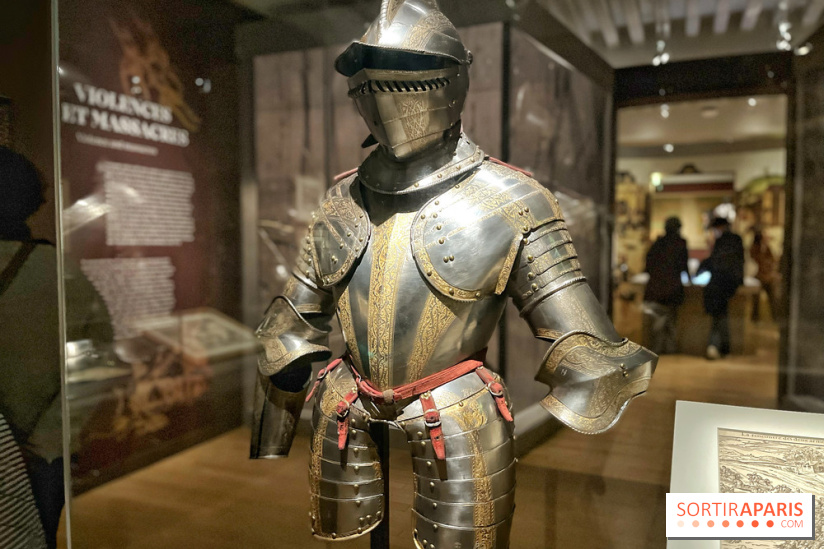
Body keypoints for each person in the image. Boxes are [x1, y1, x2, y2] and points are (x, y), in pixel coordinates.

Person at [249, 2, 657, 547]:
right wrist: (274, 434)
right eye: (370, 86)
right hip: (348, 404)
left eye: (403, 81)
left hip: (458, 414)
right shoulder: (340, 201)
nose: (384, 99)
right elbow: (287, 331)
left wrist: (574, 428)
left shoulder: (512, 200)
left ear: (450, 81)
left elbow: (590, 356)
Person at [0, 146, 111, 548]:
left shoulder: (59, 273)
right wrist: (48, 441)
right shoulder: (59, 272)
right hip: (39, 455)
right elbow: (96, 358)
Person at [699, 217, 744, 359]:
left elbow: (714, 261)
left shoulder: (722, 241)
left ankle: (715, 346)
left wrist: (701, 269)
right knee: (721, 315)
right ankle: (722, 348)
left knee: (718, 316)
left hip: (719, 283)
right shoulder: (736, 240)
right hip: (729, 283)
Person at [643, 216, 689, 354]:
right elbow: (683, 265)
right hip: (673, 288)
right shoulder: (680, 243)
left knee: (658, 321)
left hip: (656, 288)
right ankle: (670, 348)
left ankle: (657, 348)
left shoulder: (658, 243)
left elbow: (648, 265)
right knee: (671, 321)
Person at [750, 226, 778, 322]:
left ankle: (775, 317)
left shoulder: (767, 248)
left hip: (767, 277)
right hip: (758, 277)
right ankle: (755, 318)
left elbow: (771, 260)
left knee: (771, 298)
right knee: (756, 299)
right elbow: (756, 261)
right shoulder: (755, 248)